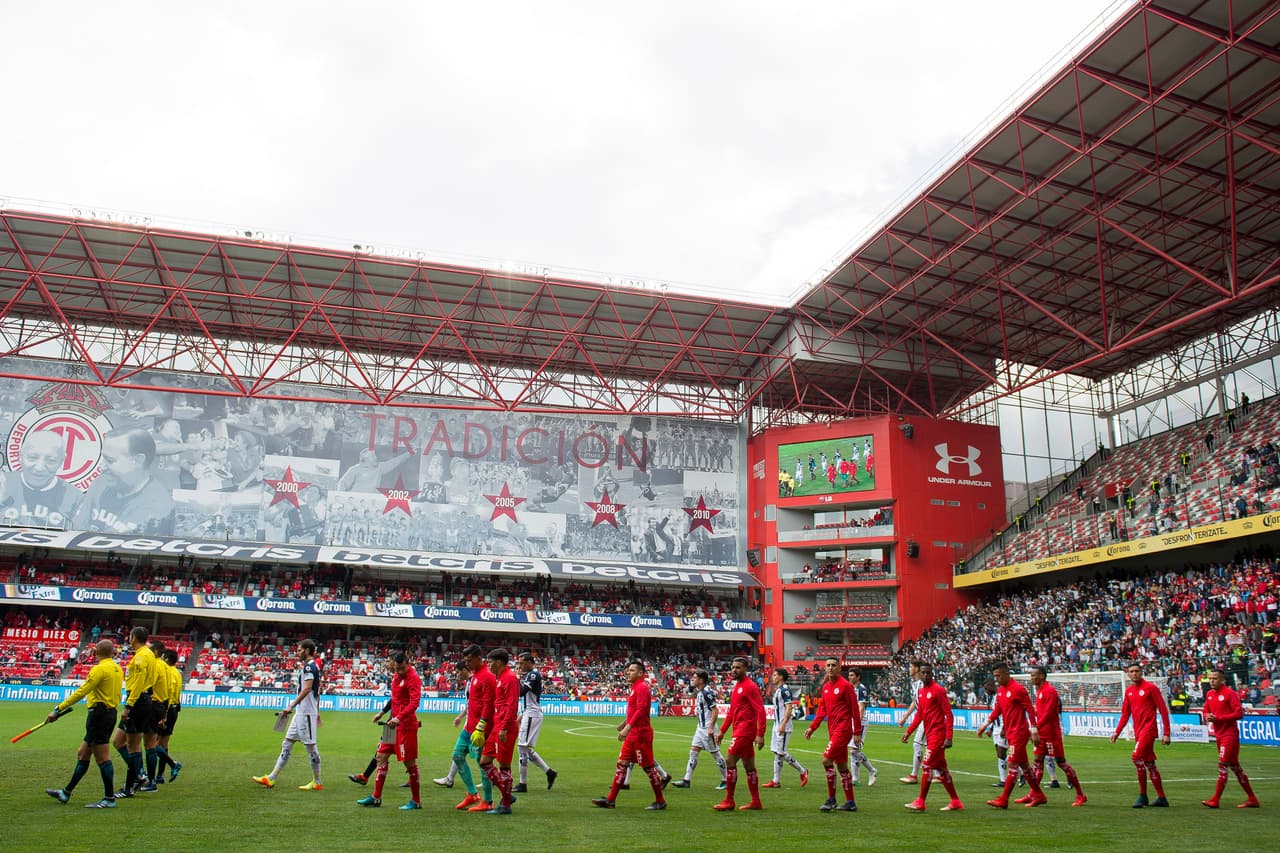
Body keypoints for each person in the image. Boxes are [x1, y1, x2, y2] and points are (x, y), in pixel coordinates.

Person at [44, 638, 124, 809]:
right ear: (112, 653)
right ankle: (66, 792)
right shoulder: (117, 668)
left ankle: (109, 798)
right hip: (109, 713)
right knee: (83, 753)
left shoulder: (99, 669)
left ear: (95, 652)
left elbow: (82, 692)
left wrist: (58, 709)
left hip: (99, 715)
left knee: (102, 757)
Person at [592, 660, 667, 811]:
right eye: (628, 670)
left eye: (632, 670)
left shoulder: (642, 688)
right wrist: (624, 723)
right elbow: (635, 711)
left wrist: (628, 727)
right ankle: (611, 800)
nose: (628, 672)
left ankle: (660, 801)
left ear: (640, 673)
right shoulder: (635, 688)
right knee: (622, 764)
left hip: (641, 735)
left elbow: (641, 710)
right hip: (633, 734)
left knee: (648, 768)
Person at [253, 638, 324, 791]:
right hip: (301, 713)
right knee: (287, 743)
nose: (297, 653)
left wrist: (291, 705)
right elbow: (317, 691)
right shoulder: (310, 667)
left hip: (305, 713)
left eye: (299, 650)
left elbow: (308, 688)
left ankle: (317, 782)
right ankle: (271, 778)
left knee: (311, 747)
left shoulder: (309, 668)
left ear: (306, 650)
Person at [77, 428, 175, 535]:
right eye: (103, 458)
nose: (102, 467)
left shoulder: (158, 507)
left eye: (110, 460)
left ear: (138, 460)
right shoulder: (101, 482)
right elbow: (78, 529)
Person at [357, 652, 422, 810]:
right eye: (397, 668)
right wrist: (382, 712)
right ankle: (376, 797)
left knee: (409, 763)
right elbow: (395, 698)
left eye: (402, 668)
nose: (399, 671)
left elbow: (414, 703)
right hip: (392, 724)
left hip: (405, 726)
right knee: (380, 756)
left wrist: (398, 717)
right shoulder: (396, 676)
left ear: (408, 663)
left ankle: (416, 801)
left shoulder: (413, 678)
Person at [978, 663, 1047, 808]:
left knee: (1012, 765)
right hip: (1010, 733)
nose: (996, 679)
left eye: (998, 676)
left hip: (1019, 733)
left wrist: (1033, 731)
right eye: (995, 676)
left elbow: (1030, 709)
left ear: (1006, 673)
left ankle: (1003, 799)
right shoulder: (1002, 690)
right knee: (1025, 767)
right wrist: (985, 725)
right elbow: (998, 709)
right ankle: (1039, 795)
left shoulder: (1018, 689)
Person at [902, 662, 963, 812]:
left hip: (938, 735)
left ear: (932, 674)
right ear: (920, 674)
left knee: (927, 765)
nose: (925, 675)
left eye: (928, 673)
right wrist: (908, 732)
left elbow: (949, 714)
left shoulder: (938, 690)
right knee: (942, 769)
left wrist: (949, 737)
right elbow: (920, 715)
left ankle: (921, 801)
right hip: (930, 734)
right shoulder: (921, 692)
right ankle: (955, 801)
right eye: (923, 673)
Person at [1110, 662, 1172, 808]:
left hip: (1149, 730)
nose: (1134, 673)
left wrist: (1167, 733)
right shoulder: (1130, 691)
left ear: (1141, 672)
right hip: (1138, 732)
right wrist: (1117, 732)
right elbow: (1125, 714)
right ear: (1128, 674)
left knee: (1136, 758)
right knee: (1150, 763)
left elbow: (1163, 710)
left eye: (1137, 671)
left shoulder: (1151, 688)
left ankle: (1142, 795)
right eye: (1131, 671)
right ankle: (1162, 798)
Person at [803, 658, 860, 812]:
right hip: (832, 730)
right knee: (841, 766)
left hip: (843, 730)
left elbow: (855, 710)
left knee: (826, 760)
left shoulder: (846, 686)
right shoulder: (826, 687)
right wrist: (812, 727)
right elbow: (822, 710)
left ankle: (831, 799)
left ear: (839, 668)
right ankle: (850, 802)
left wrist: (857, 732)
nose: (830, 668)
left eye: (833, 665)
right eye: (828, 665)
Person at [713, 656, 767, 811]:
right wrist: (722, 731)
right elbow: (731, 712)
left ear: (745, 669)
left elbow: (760, 711)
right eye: (732, 667)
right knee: (749, 766)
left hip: (745, 730)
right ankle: (756, 801)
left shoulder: (750, 687)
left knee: (730, 761)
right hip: (739, 730)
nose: (734, 670)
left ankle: (729, 800)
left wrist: (760, 733)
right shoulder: (737, 687)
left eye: (737, 667)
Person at [0, 428, 83, 527]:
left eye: (51, 460)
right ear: (20, 456)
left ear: (62, 461)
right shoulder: (3, 484)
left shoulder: (75, 498)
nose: (39, 467)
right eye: (32, 457)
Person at [1201, 669, 1259, 808]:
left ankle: (1215, 800)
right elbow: (1206, 709)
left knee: (1222, 765)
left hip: (1230, 735)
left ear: (1222, 680)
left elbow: (1239, 713)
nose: (1212, 681)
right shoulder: (1209, 694)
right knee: (1235, 766)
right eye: (1210, 679)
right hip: (1219, 735)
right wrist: (1207, 716)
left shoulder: (1229, 694)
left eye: (1215, 678)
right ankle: (1252, 799)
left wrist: (1219, 718)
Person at [111, 626, 158, 798]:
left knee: (133, 746)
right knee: (118, 741)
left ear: (133, 638)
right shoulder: (149, 654)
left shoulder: (140, 657)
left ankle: (131, 785)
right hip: (143, 699)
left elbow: (138, 683)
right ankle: (139, 773)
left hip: (137, 701)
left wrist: (129, 705)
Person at [1029, 667, 1086, 806]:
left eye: (1034, 675)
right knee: (1037, 763)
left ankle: (1080, 795)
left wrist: (1035, 728)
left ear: (1042, 676)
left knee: (1061, 763)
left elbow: (1048, 714)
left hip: (1052, 734)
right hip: (1042, 733)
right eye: (1031, 675)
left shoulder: (1050, 691)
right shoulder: (1040, 690)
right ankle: (1034, 795)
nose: (1031, 678)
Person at [453, 645, 496, 812]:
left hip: (480, 729)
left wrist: (482, 725)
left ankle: (488, 801)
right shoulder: (476, 676)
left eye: (470, 660)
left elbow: (489, 704)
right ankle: (472, 794)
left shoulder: (486, 677)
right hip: (469, 727)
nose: (467, 664)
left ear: (479, 658)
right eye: (466, 661)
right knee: (457, 756)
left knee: (483, 764)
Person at [672, 669, 727, 789]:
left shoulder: (707, 692)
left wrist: (711, 727)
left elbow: (715, 710)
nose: (692, 679)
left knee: (716, 754)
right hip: (700, 728)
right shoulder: (700, 692)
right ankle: (686, 780)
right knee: (693, 751)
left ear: (701, 680)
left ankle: (726, 780)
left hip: (708, 728)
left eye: (695, 678)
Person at [479, 648, 519, 815]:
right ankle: (506, 793)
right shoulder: (500, 678)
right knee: (484, 761)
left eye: (490, 662)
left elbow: (512, 705)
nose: (489, 665)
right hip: (498, 726)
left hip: (505, 728)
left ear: (499, 662)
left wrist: (504, 727)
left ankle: (506, 804)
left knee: (504, 765)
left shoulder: (510, 678)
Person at [513, 652, 557, 793]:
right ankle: (549, 772)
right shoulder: (530, 675)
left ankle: (523, 784)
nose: (520, 666)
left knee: (522, 748)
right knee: (526, 750)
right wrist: (521, 714)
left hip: (532, 714)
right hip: (529, 713)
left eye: (522, 663)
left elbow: (521, 692)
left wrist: (515, 679)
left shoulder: (533, 675)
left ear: (530, 662)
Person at [762, 668, 807, 789]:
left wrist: (783, 724)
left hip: (784, 726)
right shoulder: (778, 690)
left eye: (775, 675)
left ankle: (800, 772)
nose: (773, 677)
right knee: (778, 752)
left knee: (780, 753)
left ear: (781, 677)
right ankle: (779, 779)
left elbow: (789, 708)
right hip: (777, 725)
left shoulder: (785, 690)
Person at [139, 639, 171, 792]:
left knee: (148, 744)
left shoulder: (156, 665)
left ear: (156, 652)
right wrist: (164, 711)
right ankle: (150, 778)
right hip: (160, 705)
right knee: (151, 743)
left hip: (152, 705)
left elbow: (148, 685)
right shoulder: (165, 666)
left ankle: (148, 780)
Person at [153, 648, 184, 783]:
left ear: (166, 659)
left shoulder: (168, 672)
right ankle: (160, 776)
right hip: (174, 709)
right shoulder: (177, 672)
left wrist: (163, 714)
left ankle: (172, 764)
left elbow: (170, 691)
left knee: (152, 743)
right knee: (163, 743)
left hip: (167, 709)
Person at [896, 660, 926, 783]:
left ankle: (914, 775)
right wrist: (905, 717)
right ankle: (938, 774)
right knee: (930, 747)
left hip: (927, 718)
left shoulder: (923, 684)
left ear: (917, 669)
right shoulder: (915, 684)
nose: (909, 669)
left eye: (911, 667)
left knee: (917, 744)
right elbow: (915, 702)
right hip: (923, 717)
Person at [847, 668, 877, 786]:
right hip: (851, 721)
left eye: (852, 675)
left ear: (858, 677)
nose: (850, 677)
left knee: (854, 750)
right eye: (849, 675)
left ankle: (871, 770)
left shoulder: (861, 689)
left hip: (860, 722)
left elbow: (861, 707)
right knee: (853, 750)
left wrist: (857, 725)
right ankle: (855, 778)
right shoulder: (850, 688)